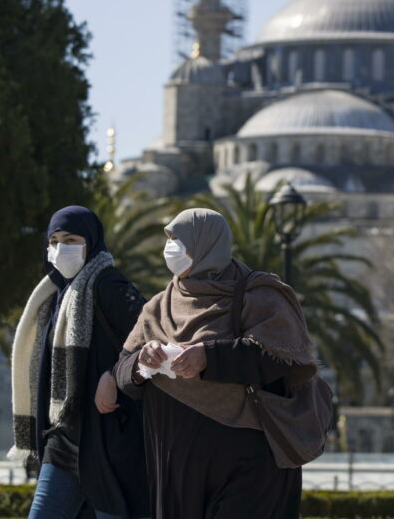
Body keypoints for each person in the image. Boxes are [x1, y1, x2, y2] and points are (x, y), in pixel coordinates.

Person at [115, 208, 319, 519]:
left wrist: (207, 357)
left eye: (178, 239)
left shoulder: (258, 294)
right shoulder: (158, 307)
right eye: (168, 238)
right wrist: (142, 363)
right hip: (176, 468)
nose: (170, 247)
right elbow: (123, 371)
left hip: (248, 464)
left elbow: (280, 358)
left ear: (207, 243)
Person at [9, 206, 149, 519]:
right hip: (64, 436)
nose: (60, 249)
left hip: (106, 441)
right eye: (54, 240)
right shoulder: (55, 294)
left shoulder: (108, 285)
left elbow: (150, 335)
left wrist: (114, 376)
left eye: (71, 239)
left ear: (92, 241)